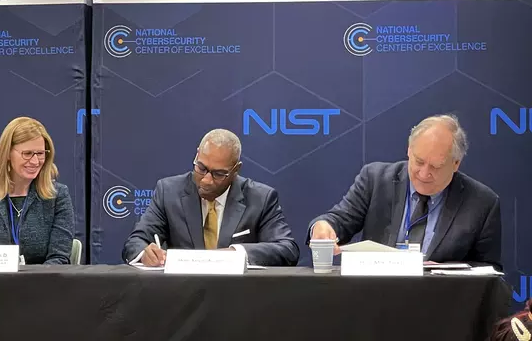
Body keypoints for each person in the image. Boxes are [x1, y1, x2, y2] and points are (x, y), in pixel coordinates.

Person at [308, 114, 502, 269]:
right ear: (409, 150)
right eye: (419, 161)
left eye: (436, 167)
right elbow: (339, 220)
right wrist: (323, 226)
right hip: (374, 301)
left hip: (443, 306)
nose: (424, 174)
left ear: (456, 164)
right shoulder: (375, 179)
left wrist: (449, 272)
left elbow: (489, 271)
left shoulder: (481, 203)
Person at [122, 129, 300, 267]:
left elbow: (287, 250)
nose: (206, 180)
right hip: (181, 297)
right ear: (197, 155)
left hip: (239, 298)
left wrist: (236, 253)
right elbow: (136, 242)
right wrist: (144, 253)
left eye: (218, 174)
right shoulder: (168, 191)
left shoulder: (260, 198)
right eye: (201, 168)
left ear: (235, 170)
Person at [0, 117, 75, 264]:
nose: (36, 162)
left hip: (44, 284)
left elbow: (59, 259)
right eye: (28, 153)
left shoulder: (58, 196)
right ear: (8, 154)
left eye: (40, 153)